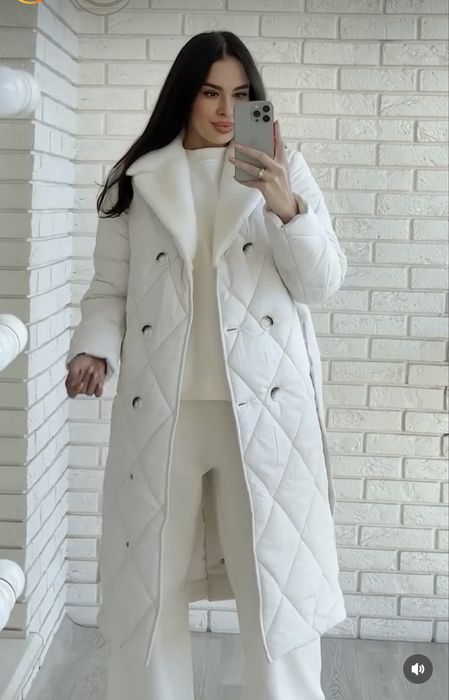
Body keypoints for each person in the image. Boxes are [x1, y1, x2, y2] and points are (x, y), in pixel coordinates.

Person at [65, 30, 347, 700]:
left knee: (274, 586)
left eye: (241, 95)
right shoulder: (137, 178)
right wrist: (93, 348)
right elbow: (109, 289)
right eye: (211, 93)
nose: (226, 110)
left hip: (267, 412)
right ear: (184, 96)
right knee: (150, 585)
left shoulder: (283, 167)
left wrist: (285, 206)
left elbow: (321, 283)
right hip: (163, 411)